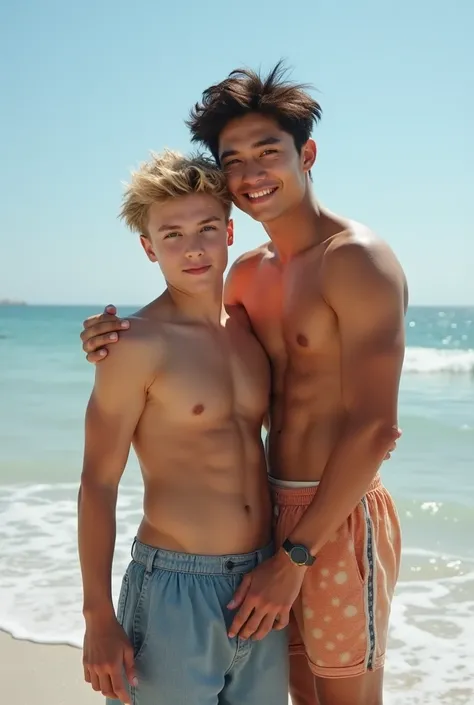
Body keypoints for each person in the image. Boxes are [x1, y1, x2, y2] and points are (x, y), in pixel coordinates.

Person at [80, 63, 407, 705]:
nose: (253, 174)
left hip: (328, 520)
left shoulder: (356, 260)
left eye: (269, 152)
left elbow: (377, 427)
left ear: (306, 153)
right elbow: (187, 357)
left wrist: (295, 559)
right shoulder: (245, 279)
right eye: (235, 160)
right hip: (249, 544)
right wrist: (105, 338)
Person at [77, 149, 289, 705]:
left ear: (229, 232)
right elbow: (98, 481)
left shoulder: (251, 331)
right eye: (171, 235)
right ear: (149, 248)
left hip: (260, 583)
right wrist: (97, 613)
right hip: (175, 587)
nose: (192, 247)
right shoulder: (134, 344)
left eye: (206, 228)